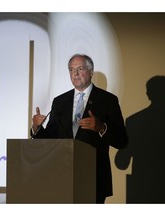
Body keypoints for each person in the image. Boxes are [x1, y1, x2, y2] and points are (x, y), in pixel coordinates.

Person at [31, 54, 128, 203]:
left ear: (90, 72)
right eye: (71, 69)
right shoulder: (59, 101)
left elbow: (122, 141)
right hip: (62, 177)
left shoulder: (107, 100)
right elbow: (51, 139)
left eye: (80, 68)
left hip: (93, 179)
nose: (75, 73)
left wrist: (102, 127)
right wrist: (37, 128)